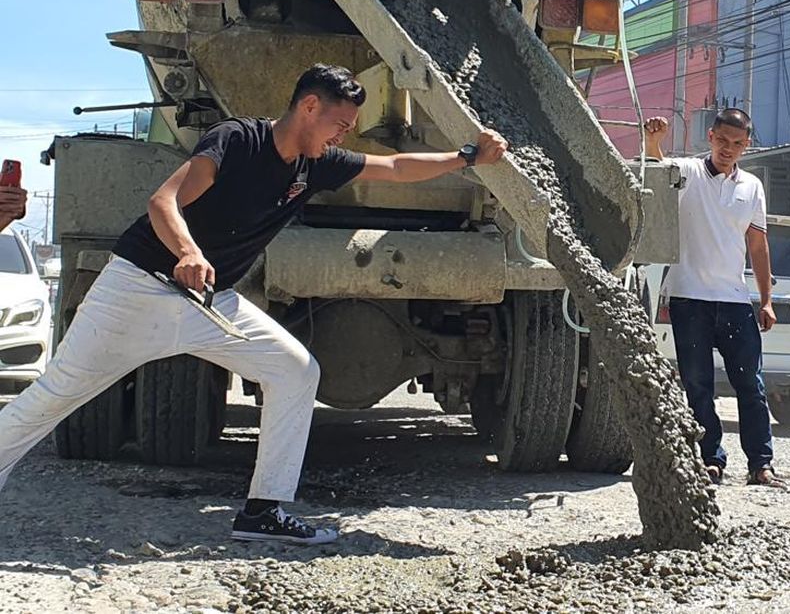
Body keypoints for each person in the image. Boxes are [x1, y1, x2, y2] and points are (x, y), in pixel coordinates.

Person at [0, 64, 508, 544]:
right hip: (138, 290)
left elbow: (395, 166)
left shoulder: (318, 165)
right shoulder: (237, 139)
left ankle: (265, 511)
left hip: (209, 303)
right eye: (339, 123)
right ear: (309, 107)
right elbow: (164, 202)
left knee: (296, 371)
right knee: (56, 395)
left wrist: (468, 157)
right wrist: (189, 251)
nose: (344, 136)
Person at [644, 108, 785, 489]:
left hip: (735, 301)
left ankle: (762, 465)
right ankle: (711, 461)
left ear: (747, 146)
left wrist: (766, 299)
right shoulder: (689, 172)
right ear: (711, 137)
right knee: (698, 384)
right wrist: (653, 141)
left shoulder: (752, 187)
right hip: (689, 298)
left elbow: (758, 245)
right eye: (723, 141)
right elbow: (659, 170)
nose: (728, 149)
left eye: (737, 144)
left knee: (751, 387)